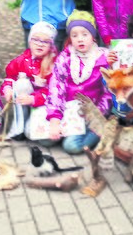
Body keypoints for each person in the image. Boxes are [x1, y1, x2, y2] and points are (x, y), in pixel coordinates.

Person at [45, 10, 112, 154]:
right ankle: (69, 132)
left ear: (93, 36)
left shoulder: (104, 58)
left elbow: (108, 93)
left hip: (92, 113)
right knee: (45, 139)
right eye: (74, 35)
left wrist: (97, 113)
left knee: (72, 146)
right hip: (68, 112)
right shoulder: (65, 58)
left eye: (84, 34)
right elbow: (56, 88)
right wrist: (55, 119)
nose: (80, 39)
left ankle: (102, 132)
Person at [0, 21, 58, 141]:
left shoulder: (55, 64)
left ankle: (30, 124)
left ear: (51, 45)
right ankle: (19, 125)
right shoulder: (21, 60)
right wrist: (7, 88)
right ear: (30, 41)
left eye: (45, 41)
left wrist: (34, 99)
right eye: (36, 39)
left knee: (31, 133)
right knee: (21, 83)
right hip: (24, 101)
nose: (40, 44)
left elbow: (55, 90)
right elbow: (10, 77)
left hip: (45, 104)